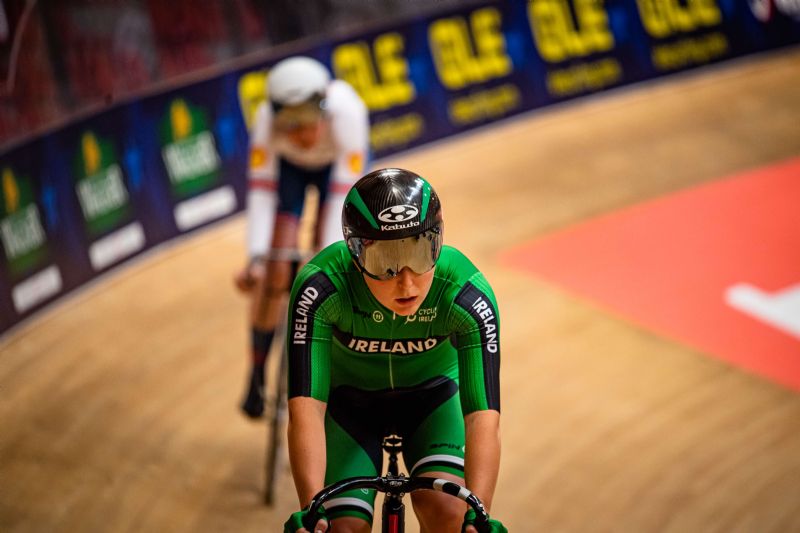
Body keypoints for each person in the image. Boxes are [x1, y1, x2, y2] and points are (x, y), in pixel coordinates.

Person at [283, 168, 507, 532]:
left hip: (431, 400)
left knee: (449, 514)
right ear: (355, 253)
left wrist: (477, 514)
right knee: (340, 528)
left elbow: (483, 416)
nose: (406, 281)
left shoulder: (466, 294)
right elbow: (306, 409)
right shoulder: (321, 288)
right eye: (384, 262)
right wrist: (311, 507)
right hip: (349, 407)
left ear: (438, 242)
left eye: (420, 254)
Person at [235, 55, 370, 418]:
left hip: (335, 174)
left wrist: (323, 265)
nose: (302, 135)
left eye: (308, 123)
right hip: (290, 171)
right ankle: (257, 373)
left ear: (324, 108)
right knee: (275, 268)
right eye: (290, 126)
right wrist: (256, 258)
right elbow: (262, 193)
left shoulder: (348, 115)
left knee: (331, 267)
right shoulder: (265, 120)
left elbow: (343, 197)